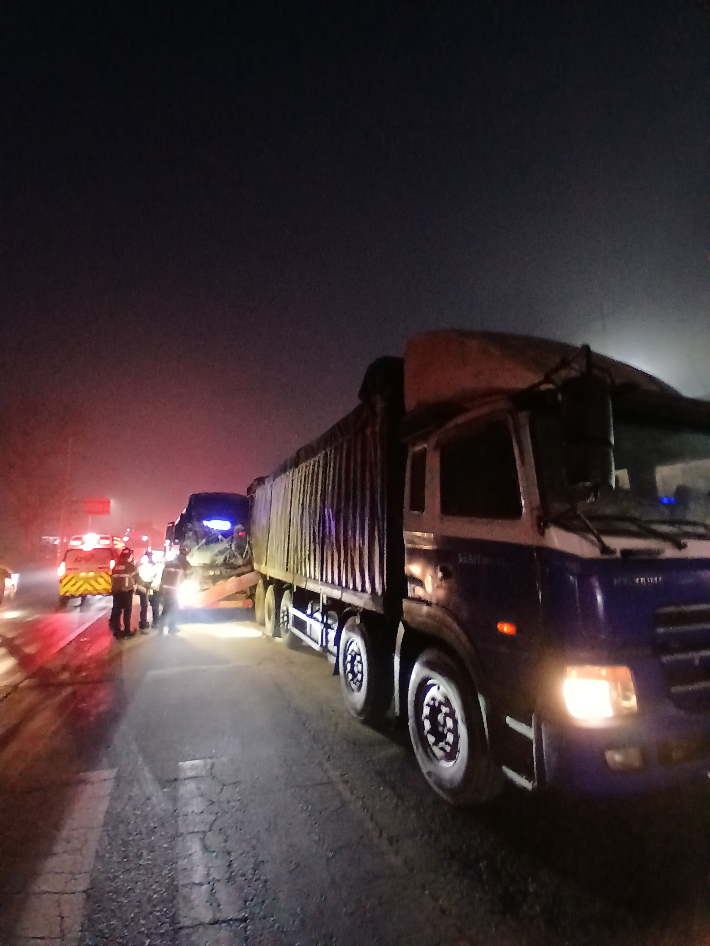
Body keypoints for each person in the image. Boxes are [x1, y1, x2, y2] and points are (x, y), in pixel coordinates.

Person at [159, 546, 191, 634]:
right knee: (174, 609)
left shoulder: (169, 563)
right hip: (175, 590)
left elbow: (163, 577)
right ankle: (171, 628)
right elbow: (187, 577)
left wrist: (161, 589)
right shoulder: (184, 564)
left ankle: (160, 628)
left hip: (166, 589)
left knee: (165, 609)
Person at [109, 547, 138, 638]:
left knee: (117, 611)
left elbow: (112, 578)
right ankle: (127, 631)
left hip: (116, 592)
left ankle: (117, 631)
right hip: (126, 591)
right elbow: (136, 578)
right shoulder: (130, 566)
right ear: (128, 556)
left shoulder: (115, 566)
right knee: (127, 612)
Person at [136, 551, 160, 632]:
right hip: (152, 588)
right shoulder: (156, 567)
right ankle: (155, 623)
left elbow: (138, 579)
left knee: (145, 606)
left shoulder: (141, 567)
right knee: (154, 605)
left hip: (145, 588)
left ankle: (144, 623)